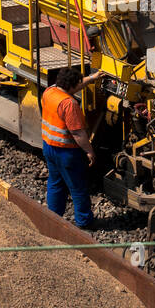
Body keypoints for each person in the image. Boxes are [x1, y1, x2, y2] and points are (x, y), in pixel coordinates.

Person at [41, 65, 102, 229]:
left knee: (55, 183)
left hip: (48, 146)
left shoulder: (50, 92)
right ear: (71, 86)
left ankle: (53, 218)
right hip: (66, 152)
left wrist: (92, 78)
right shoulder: (69, 104)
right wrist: (90, 151)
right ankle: (84, 222)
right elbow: (78, 134)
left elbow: (73, 86)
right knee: (78, 188)